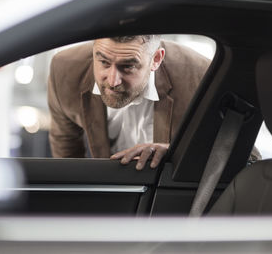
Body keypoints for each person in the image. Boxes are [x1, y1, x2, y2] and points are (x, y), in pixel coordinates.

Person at [47, 35, 210, 170]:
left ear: (156, 59)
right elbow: (66, 153)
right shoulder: (64, 71)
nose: (112, 81)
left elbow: (218, 151)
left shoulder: (200, 77)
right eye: (104, 62)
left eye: (127, 66)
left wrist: (175, 151)